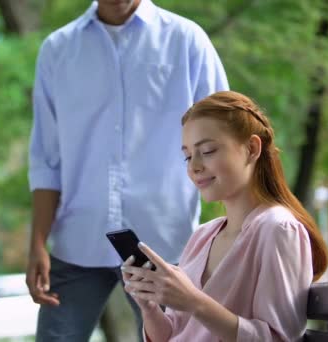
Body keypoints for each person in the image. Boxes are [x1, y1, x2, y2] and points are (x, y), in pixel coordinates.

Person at [26, 0, 229, 340]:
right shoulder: (57, 50)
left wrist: (228, 235)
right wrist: (36, 244)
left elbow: (226, 139)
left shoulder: (186, 40)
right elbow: (47, 160)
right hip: (76, 244)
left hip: (165, 244)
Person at [121, 91, 328, 341]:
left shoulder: (278, 229)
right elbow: (176, 334)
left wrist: (194, 301)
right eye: (187, 156)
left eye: (207, 151)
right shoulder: (202, 236)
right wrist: (150, 308)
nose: (194, 166)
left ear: (252, 149)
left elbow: (279, 338)